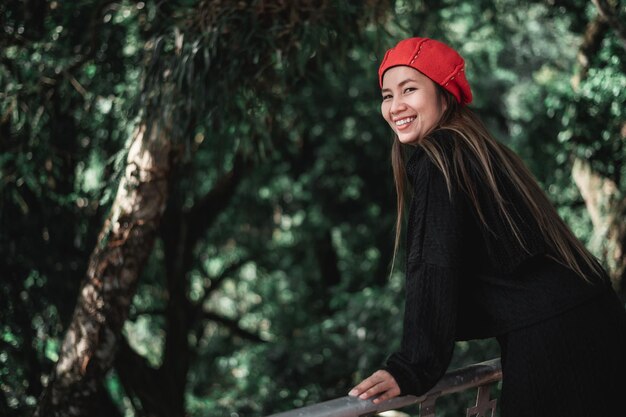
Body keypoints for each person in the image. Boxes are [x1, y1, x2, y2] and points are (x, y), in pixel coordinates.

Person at [347, 37, 626, 417]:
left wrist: (412, 366)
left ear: (444, 93)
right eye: (386, 95)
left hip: (557, 338)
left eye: (410, 90)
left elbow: (434, 262)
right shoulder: (477, 148)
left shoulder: (441, 156)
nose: (395, 106)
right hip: (594, 317)